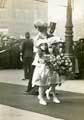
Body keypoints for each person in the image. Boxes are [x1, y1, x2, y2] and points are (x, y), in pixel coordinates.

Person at [32, 39, 60, 105]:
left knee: (53, 83)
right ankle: (41, 98)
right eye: (42, 45)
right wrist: (41, 63)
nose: (44, 46)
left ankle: (54, 97)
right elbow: (34, 63)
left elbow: (52, 59)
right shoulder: (38, 53)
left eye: (45, 45)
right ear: (39, 46)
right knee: (42, 84)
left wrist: (53, 63)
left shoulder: (49, 52)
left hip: (49, 69)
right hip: (41, 70)